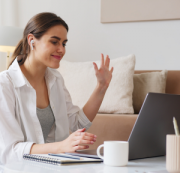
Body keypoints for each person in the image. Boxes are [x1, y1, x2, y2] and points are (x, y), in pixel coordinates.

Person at [0, 12, 113, 164]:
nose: (62, 50)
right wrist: (61, 147)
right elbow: (10, 151)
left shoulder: (55, 79)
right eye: (54, 42)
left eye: (64, 43)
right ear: (32, 41)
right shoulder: (5, 85)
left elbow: (77, 124)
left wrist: (101, 87)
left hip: (55, 166)